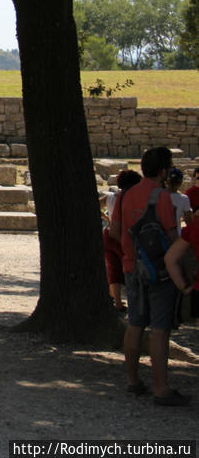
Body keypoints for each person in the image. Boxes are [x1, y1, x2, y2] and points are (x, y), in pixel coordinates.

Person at [109, 147, 188, 406]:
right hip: (159, 271)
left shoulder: (127, 195)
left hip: (132, 266)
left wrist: (129, 255)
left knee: (135, 323)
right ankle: (161, 389)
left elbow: (118, 231)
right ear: (164, 170)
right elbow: (171, 235)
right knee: (160, 330)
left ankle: (133, 380)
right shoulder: (162, 196)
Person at [103, 169, 142, 311]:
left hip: (108, 235)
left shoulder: (111, 197)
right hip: (123, 236)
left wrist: (107, 219)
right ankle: (135, 303)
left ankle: (117, 302)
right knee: (130, 269)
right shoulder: (131, 198)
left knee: (113, 270)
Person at [166, 167, 193, 234]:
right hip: (176, 236)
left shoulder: (157, 196)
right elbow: (188, 221)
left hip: (159, 238)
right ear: (180, 182)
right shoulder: (184, 199)